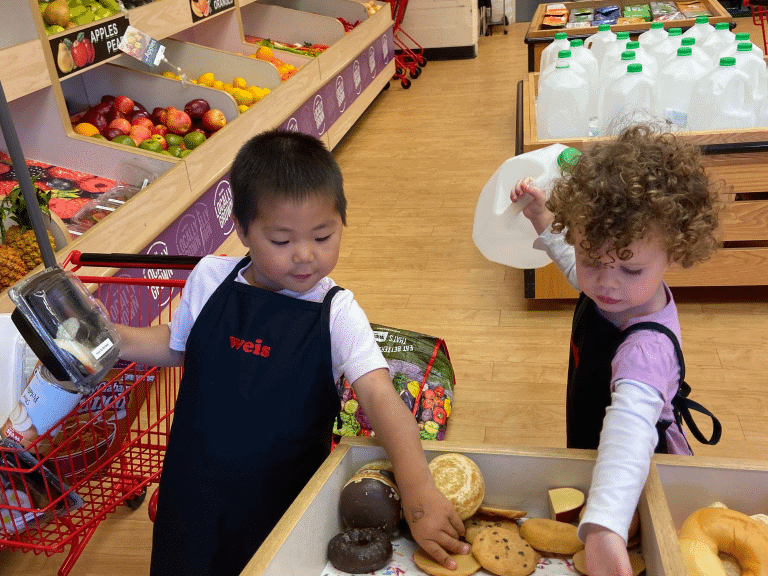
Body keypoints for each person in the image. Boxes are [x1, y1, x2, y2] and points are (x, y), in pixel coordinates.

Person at [116, 129, 469, 576]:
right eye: (281, 241)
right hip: (192, 496)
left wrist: (419, 494)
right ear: (242, 229)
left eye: (323, 237)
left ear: (342, 220)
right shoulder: (209, 279)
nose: (305, 256)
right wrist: (120, 339)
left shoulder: (337, 312)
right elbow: (178, 343)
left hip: (284, 508)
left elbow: (381, 397)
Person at [510, 125, 722, 576]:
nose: (606, 283)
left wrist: (606, 525)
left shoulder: (644, 348)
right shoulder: (613, 287)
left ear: (675, 249)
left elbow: (628, 433)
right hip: (594, 444)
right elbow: (573, 265)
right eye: (593, 259)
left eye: (629, 268)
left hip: (639, 474)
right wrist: (542, 220)